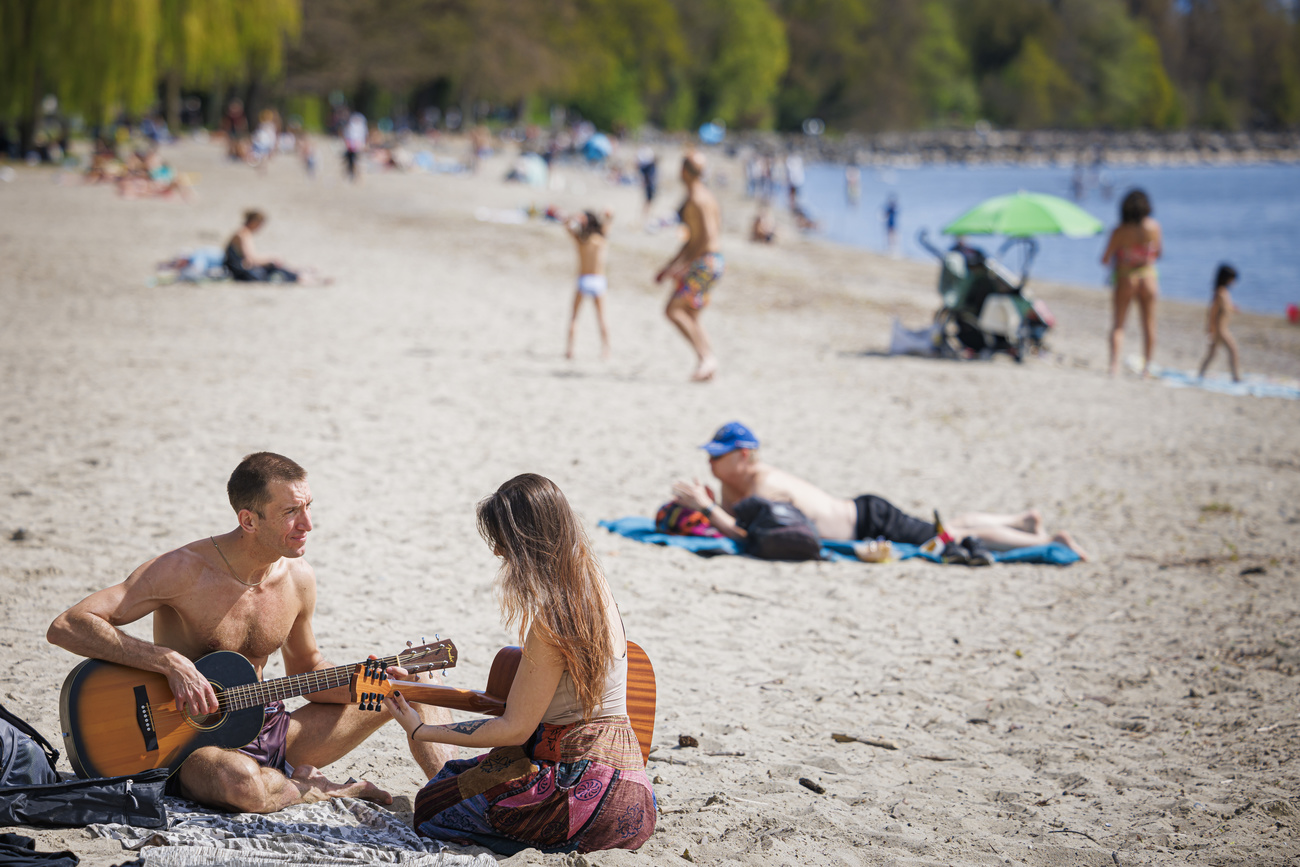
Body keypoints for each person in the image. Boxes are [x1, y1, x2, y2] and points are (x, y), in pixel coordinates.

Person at [45, 453, 453, 812]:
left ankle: (457, 802)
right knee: (243, 784)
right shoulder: (182, 570)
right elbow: (68, 626)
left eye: (308, 506)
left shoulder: (299, 578)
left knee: (414, 683)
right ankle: (312, 790)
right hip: (193, 748)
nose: (307, 523)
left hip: (272, 726)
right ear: (248, 520)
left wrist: (373, 682)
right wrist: (168, 661)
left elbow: (307, 671)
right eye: (292, 511)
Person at [384, 474, 656, 855]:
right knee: (465, 776)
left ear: (526, 544)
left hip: (579, 799)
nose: (498, 553)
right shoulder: (594, 582)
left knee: (432, 807)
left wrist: (421, 730)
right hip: (634, 798)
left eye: (503, 543)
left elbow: (514, 728)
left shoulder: (551, 622)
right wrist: (427, 691)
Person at [671, 422, 1089, 560]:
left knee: (946, 538)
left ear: (743, 455)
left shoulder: (765, 483)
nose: (710, 462)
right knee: (946, 525)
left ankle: (1044, 541)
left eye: (718, 455)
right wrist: (708, 505)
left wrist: (707, 507)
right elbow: (731, 524)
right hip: (862, 515)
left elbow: (753, 536)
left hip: (870, 520)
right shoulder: (733, 485)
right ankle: (1020, 520)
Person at [655, 153, 724, 382]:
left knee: (673, 310)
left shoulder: (698, 199)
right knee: (690, 314)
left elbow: (705, 238)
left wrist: (684, 267)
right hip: (712, 261)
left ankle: (707, 358)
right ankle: (707, 362)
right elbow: (692, 240)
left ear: (684, 171)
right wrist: (670, 266)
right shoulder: (704, 196)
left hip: (706, 262)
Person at [1101, 188, 1162, 376]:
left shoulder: (1119, 230)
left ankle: (1114, 366)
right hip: (1148, 276)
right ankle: (1147, 368)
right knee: (1149, 325)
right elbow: (1158, 253)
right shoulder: (1154, 227)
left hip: (1126, 276)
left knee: (1118, 324)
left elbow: (1105, 258)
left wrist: (1121, 258)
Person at [223, 210, 327, 285]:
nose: (260, 228)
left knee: (276, 264)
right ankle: (303, 276)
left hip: (240, 270)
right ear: (254, 222)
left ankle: (302, 273)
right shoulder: (243, 234)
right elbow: (251, 259)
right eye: (259, 225)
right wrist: (270, 258)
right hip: (242, 273)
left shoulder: (242, 233)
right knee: (275, 264)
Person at [564, 209, 614, 360]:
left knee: (574, 317)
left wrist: (575, 218)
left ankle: (570, 350)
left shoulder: (581, 240)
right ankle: (606, 350)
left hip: (584, 279)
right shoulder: (601, 240)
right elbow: (609, 220)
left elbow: (566, 225)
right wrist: (606, 215)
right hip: (598, 280)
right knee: (601, 318)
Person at [1199, 263, 1242, 382]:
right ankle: (1236, 376)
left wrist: (1233, 308)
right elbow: (1213, 311)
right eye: (1232, 279)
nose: (1233, 282)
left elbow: (1226, 307)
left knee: (1212, 354)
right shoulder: (1219, 293)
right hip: (1220, 330)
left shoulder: (1224, 292)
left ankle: (1201, 373)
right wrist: (1210, 328)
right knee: (1233, 350)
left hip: (1222, 329)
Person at [342, 111, 367, 182]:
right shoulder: (353, 126)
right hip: (352, 147)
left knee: (357, 162)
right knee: (351, 161)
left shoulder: (359, 127)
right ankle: (352, 174)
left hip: (357, 147)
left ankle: (357, 176)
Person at [636, 147, 657, 216]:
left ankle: (646, 212)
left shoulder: (646, 167)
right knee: (649, 199)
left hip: (650, 184)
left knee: (649, 199)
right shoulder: (649, 167)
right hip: (650, 184)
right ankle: (646, 212)